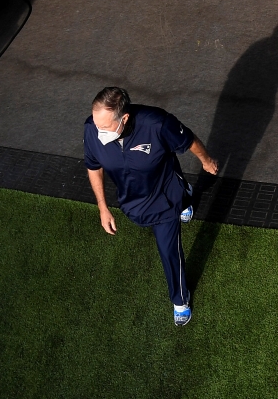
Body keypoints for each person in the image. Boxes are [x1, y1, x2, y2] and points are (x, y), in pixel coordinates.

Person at [84, 86, 219, 327]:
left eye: (104, 126)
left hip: (163, 199)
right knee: (182, 196)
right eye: (96, 124)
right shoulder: (92, 129)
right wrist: (102, 208)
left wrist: (206, 161)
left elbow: (187, 139)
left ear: (123, 118)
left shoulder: (157, 123)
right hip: (132, 200)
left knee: (168, 250)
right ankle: (186, 197)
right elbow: (94, 166)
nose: (98, 131)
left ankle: (180, 299)